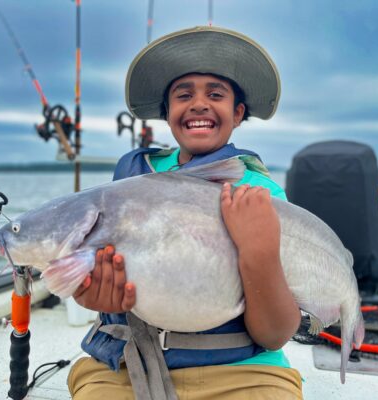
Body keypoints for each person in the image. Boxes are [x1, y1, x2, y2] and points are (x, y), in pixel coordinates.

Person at [68, 26, 303, 399]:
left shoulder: (263, 195)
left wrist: (259, 253)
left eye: (215, 94)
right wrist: (91, 295)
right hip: (128, 364)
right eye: (183, 95)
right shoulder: (128, 178)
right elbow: (95, 272)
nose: (198, 104)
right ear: (167, 113)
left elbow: (275, 333)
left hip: (242, 371)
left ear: (238, 113)